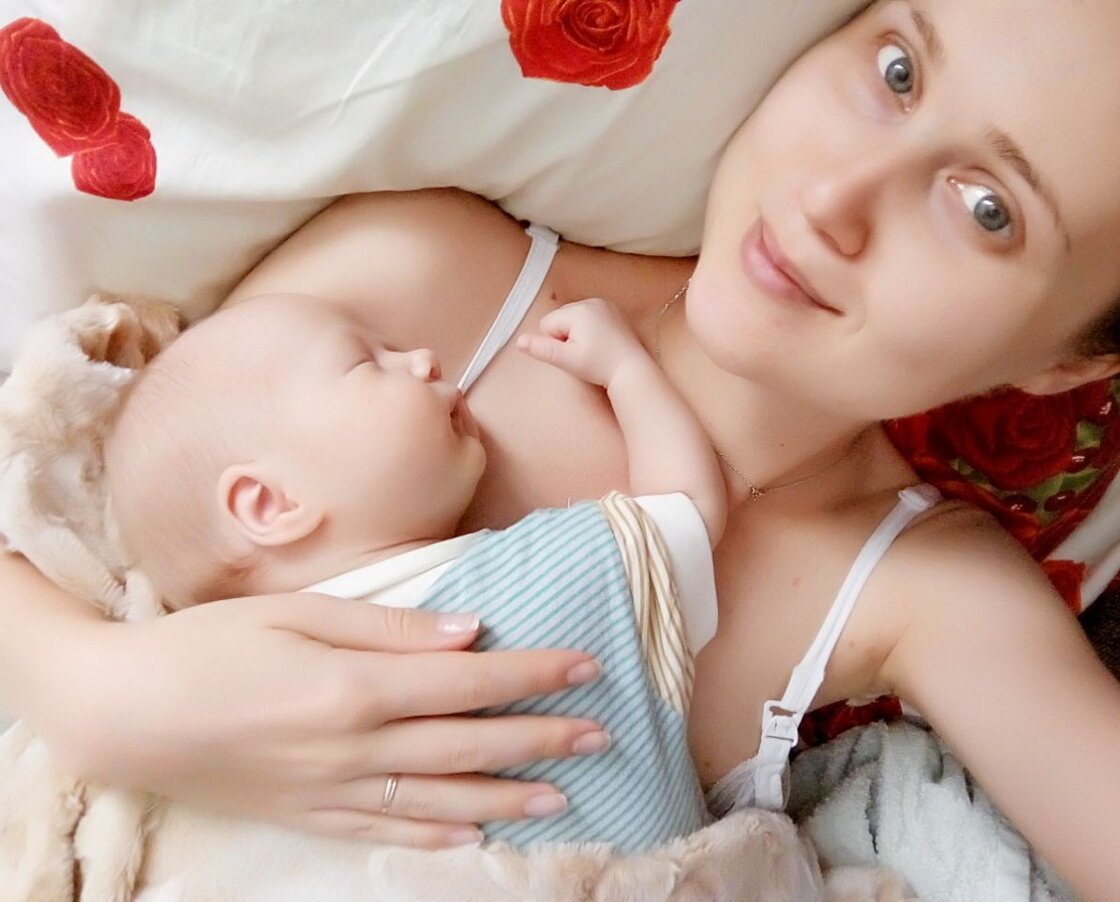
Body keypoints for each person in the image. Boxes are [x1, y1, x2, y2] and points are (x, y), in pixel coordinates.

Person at [1, 1, 1120, 897]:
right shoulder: (420, 286)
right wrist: (90, 686)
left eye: (989, 209)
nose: (837, 196)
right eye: (897, 71)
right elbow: (83, 496)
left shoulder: (919, 588)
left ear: (1071, 361)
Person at [104, 282, 728, 853]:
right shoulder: (546, 580)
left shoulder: (231, 727)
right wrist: (624, 370)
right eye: (366, 363)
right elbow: (688, 509)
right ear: (271, 504)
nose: (424, 359)